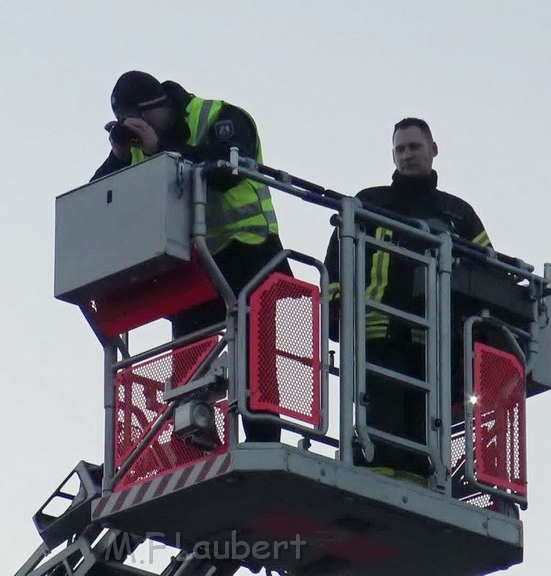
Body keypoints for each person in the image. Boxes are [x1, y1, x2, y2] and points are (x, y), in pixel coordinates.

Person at [94, 71, 290, 442]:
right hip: (194, 263)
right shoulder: (138, 146)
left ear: (159, 107)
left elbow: (227, 172)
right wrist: (117, 157)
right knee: (188, 355)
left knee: (255, 353)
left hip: (250, 251)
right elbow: (100, 201)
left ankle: (264, 440)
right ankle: (195, 438)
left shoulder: (219, 116)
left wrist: (161, 148)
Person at [324, 118, 492, 480]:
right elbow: (336, 260)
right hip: (375, 332)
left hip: (431, 344)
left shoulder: (457, 214)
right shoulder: (369, 201)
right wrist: (335, 306)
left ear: (433, 150)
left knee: (423, 433)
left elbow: (487, 271)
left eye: (414, 147)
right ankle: (375, 482)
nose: (407, 155)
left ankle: (417, 485)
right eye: (400, 149)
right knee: (380, 423)